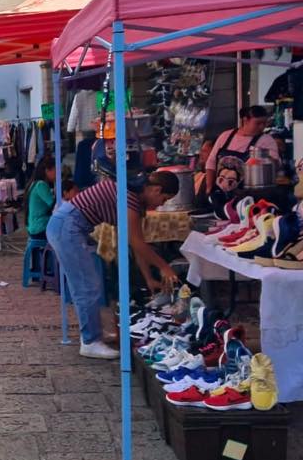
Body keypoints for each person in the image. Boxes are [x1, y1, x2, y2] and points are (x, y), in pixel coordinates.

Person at [45, 171, 180, 360]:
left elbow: (136, 242)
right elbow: (136, 242)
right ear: (156, 190)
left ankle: (94, 334)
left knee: (89, 285)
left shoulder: (134, 198)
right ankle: (90, 341)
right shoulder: (130, 197)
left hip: (70, 225)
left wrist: (149, 278)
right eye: (164, 198)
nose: (161, 204)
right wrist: (164, 267)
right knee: (87, 287)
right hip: (67, 227)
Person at [205, 105, 280, 193]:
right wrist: (209, 187)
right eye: (258, 123)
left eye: (264, 123)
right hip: (220, 192)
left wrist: (263, 157)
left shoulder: (266, 140)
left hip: (249, 194)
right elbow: (211, 162)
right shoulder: (225, 136)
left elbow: (276, 165)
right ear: (245, 120)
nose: (262, 127)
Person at [25, 156, 57, 240]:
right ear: (47, 171)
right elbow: (54, 205)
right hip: (40, 227)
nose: (57, 172)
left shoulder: (34, 183)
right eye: (55, 169)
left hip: (33, 226)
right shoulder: (41, 185)